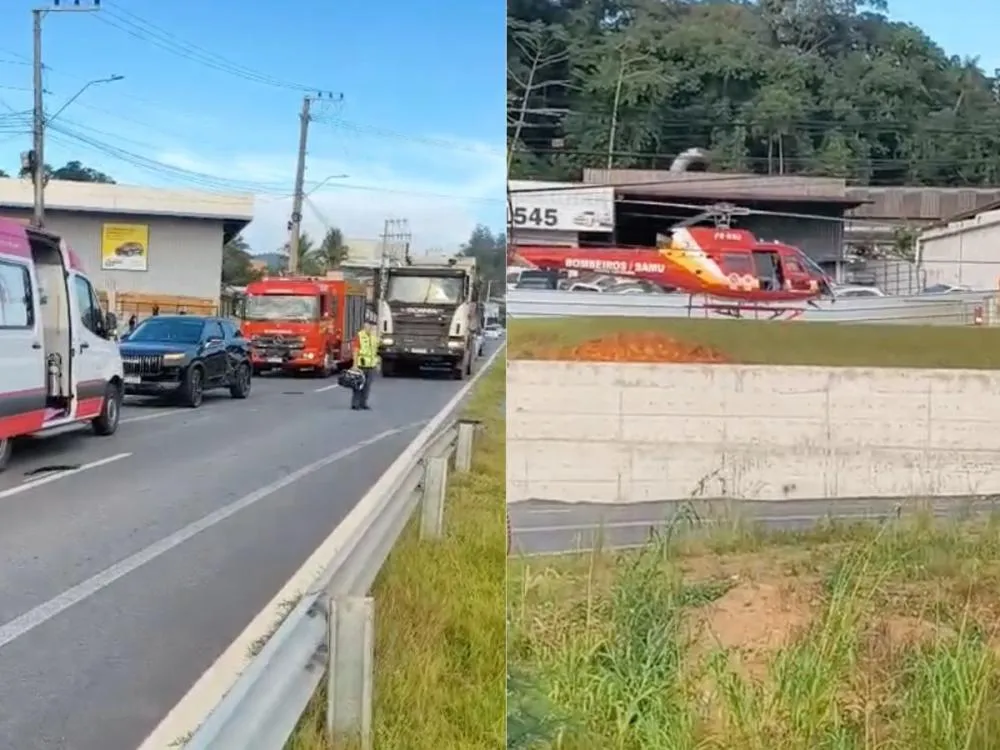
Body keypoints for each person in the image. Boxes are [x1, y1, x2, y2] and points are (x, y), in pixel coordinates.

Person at [350, 310, 381, 410]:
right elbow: (355, 350)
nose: (369, 327)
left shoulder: (374, 337)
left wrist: (377, 364)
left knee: (367, 386)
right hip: (361, 365)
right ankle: (355, 404)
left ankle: (363, 403)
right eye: (367, 324)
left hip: (371, 365)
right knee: (358, 385)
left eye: (371, 325)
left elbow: (376, 351)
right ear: (364, 325)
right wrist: (355, 365)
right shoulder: (360, 336)